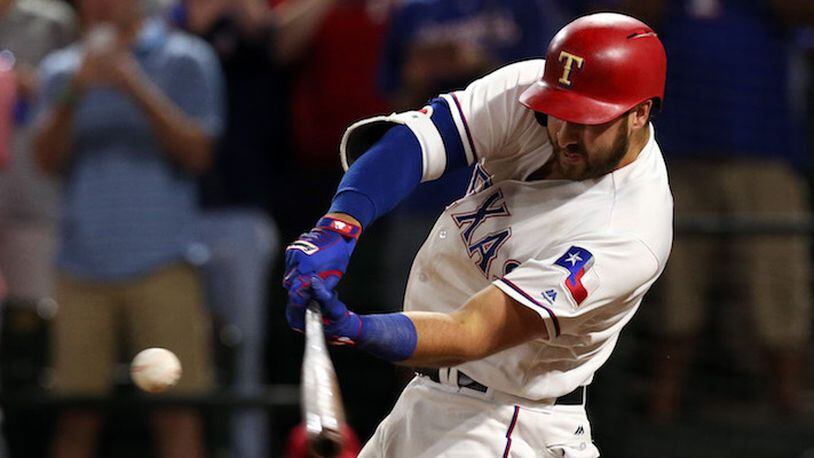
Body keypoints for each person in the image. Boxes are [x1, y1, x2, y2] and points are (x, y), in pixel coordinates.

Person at [284, 11, 671, 456]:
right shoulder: (538, 92)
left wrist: (355, 327)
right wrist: (338, 228)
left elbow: (473, 331)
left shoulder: (630, 230)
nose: (565, 132)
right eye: (560, 113)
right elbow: (417, 142)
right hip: (431, 399)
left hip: (508, 424)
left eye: (588, 119)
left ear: (640, 113)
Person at [31, 0, 223, 456]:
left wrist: (131, 83)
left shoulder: (186, 58)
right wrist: (77, 87)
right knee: (76, 414)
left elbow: (198, 153)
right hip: (81, 266)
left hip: (164, 261)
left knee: (177, 411)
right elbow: (45, 159)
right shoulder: (61, 70)